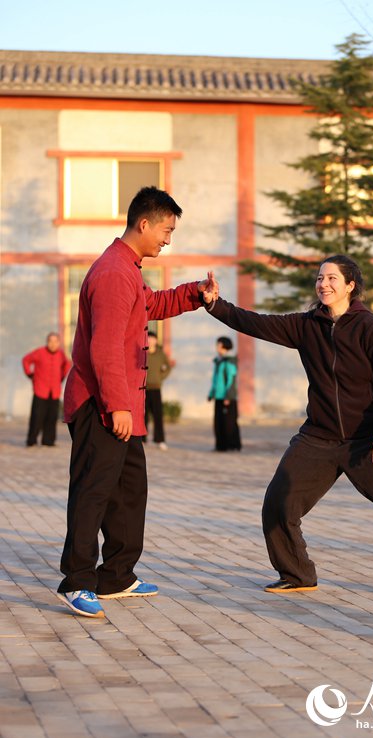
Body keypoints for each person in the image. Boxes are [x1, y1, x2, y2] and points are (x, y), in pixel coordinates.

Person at [206, 255, 373, 604]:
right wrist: (215, 305)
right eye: (319, 278)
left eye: (331, 278)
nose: (323, 284)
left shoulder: (370, 327)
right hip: (319, 437)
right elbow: (256, 323)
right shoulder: (306, 325)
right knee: (278, 502)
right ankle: (297, 573)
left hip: (369, 438)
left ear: (350, 285)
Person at [57, 186, 218, 619]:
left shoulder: (128, 269)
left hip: (118, 401)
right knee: (93, 489)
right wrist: (117, 405)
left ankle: (117, 575)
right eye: (166, 230)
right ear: (143, 224)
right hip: (99, 403)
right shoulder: (112, 272)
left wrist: (193, 295)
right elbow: (104, 347)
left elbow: (151, 305)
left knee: (129, 490)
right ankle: (76, 581)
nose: (168, 239)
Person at [22, 332, 71, 447]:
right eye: (50, 341)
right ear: (47, 342)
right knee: (37, 417)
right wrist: (30, 374)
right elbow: (26, 360)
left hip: (54, 391)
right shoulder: (39, 352)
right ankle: (32, 440)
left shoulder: (61, 354)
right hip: (40, 390)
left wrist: (62, 377)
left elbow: (67, 364)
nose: (53, 344)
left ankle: (48, 441)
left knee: (52, 417)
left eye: (55, 341)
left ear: (58, 343)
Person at [208, 336, 242, 452]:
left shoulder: (229, 361)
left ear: (225, 346)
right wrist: (211, 393)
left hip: (228, 397)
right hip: (218, 396)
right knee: (218, 423)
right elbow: (216, 379)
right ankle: (220, 446)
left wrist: (229, 396)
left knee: (229, 423)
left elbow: (231, 380)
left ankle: (232, 445)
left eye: (219, 345)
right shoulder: (218, 361)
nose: (217, 347)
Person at [144, 331, 172, 451]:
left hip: (156, 388)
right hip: (143, 388)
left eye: (152, 339)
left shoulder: (160, 354)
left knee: (157, 415)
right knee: (142, 415)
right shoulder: (142, 351)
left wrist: (161, 377)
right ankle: (142, 439)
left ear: (156, 340)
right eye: (148, 338)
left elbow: (168, 367)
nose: (150, 341)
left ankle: (160, 439)